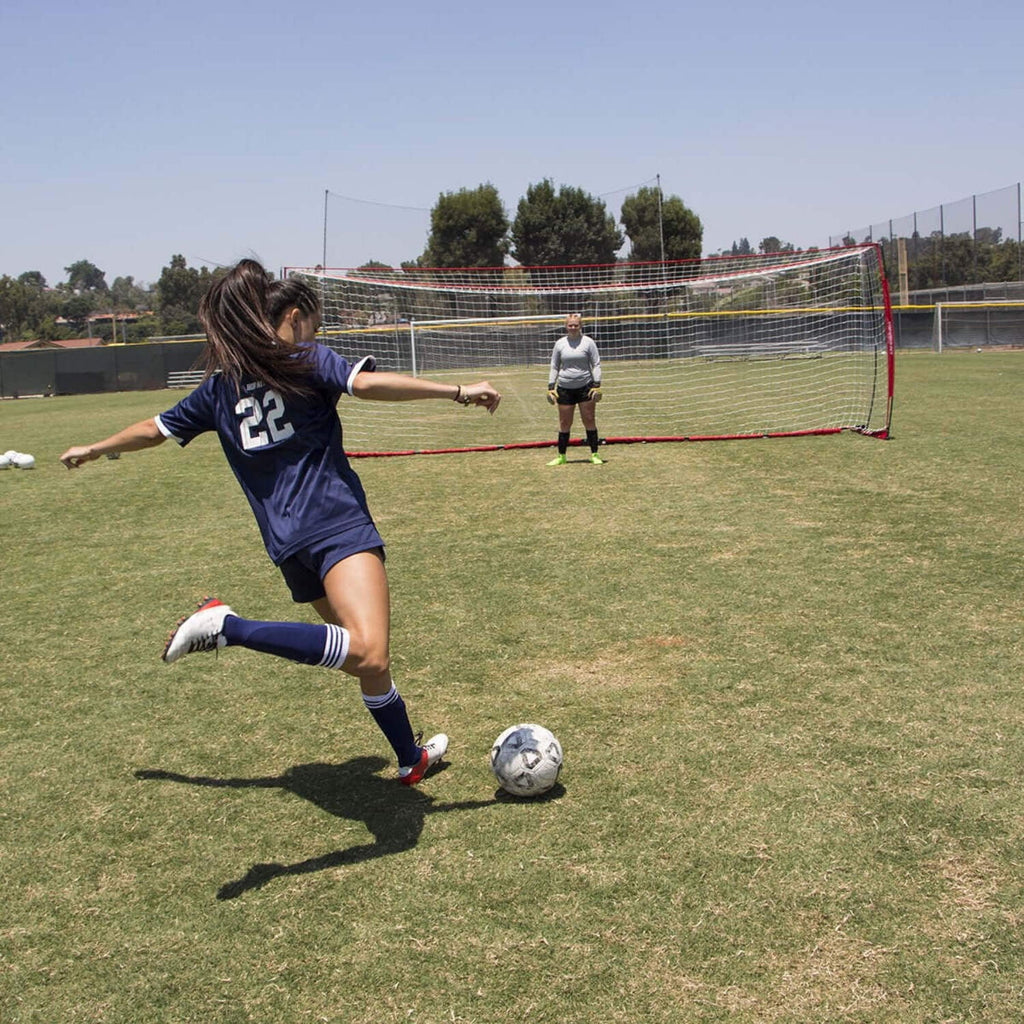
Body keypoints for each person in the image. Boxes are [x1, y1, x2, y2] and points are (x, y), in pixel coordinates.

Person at [60, 259, 501, 786]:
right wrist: (457, 391)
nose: (314, 334)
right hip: (336, 525)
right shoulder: (303, 358)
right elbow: (369, 385)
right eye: (312, 323)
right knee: (367, 648)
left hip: (287, 544)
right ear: (294, 316)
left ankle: (410, 757)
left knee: (366, 660)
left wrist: (94, 448)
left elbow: (153, 430)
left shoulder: (220, 388)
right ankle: (229, 626)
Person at [546, 312, 604, 465]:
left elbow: (596, 364)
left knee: (589, 419)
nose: (573, 328)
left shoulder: (588, 342)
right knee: (565, 423)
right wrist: (551, 386)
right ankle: (561, 456)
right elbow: (554, 366)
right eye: (570, 325)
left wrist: (597, 384)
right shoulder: (560, 344)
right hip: (564, 388)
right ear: (566, 326)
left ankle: (595, 454)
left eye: (576, 325)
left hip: (586, 387)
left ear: (580, 326)